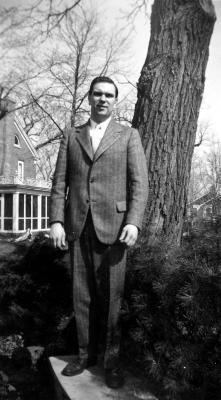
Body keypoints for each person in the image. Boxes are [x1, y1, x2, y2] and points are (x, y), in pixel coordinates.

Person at [49, 76, 148, 388]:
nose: (103, 99)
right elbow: (58, 184)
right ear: (89, 98)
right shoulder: (71, 136)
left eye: (109, 95)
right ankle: (83, 355)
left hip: (115, 230)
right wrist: (56, 221)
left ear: (114, 101)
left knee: (112, 299)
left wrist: (133, 221)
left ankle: (112, 361)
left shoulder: (128, 135)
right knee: (82, 296)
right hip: (78, 227)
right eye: (97, 94)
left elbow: (139, 184)